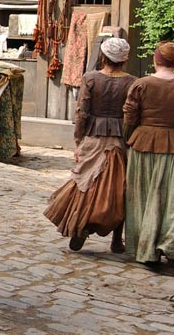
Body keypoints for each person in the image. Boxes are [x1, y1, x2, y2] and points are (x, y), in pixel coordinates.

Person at [44, 38, 134, 253]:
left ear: (103, 57)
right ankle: (116, 239)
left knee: (85, 183)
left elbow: (82, 111)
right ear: (123, 60)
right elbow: (131, 114)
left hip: (93, 137)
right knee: (118, 188)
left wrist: (78, 140)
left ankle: (79, 227)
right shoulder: (132, 81)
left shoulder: (91, 78)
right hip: (119, 139)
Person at [123, 40, 174, 269]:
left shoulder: (141, 84)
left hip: (144, 144)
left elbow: (130, 117)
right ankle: (172, 248)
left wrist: (127, 139)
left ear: (155, 59)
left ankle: (147, 249)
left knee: (143, 197)